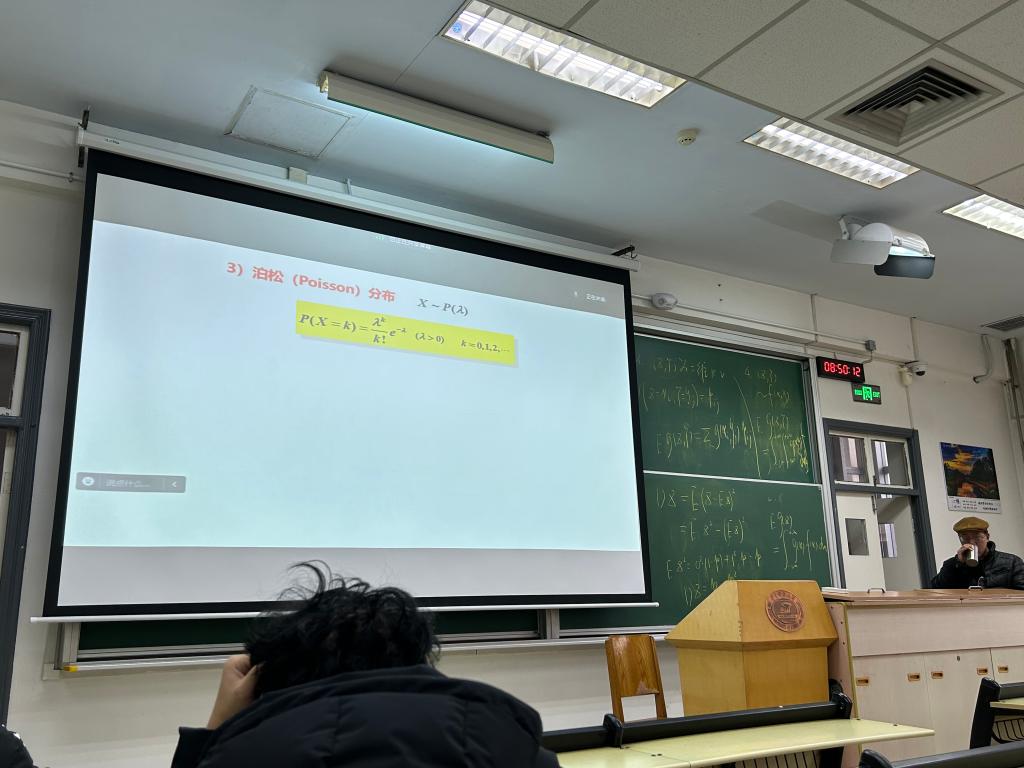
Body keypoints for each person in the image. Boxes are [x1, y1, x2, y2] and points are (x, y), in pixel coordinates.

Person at [171, 565, 559, 767]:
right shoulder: (512, 748)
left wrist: (215, 732)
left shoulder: (243, 757)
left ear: (269, 682)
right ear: (419, 661)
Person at [930, 516, 1024, 589]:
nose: (971, 543)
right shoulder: (952, 564)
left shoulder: (1012, 562)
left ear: (987, 537)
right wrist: (958, 564)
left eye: (977, 537)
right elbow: (935, 589)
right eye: (965, 538)